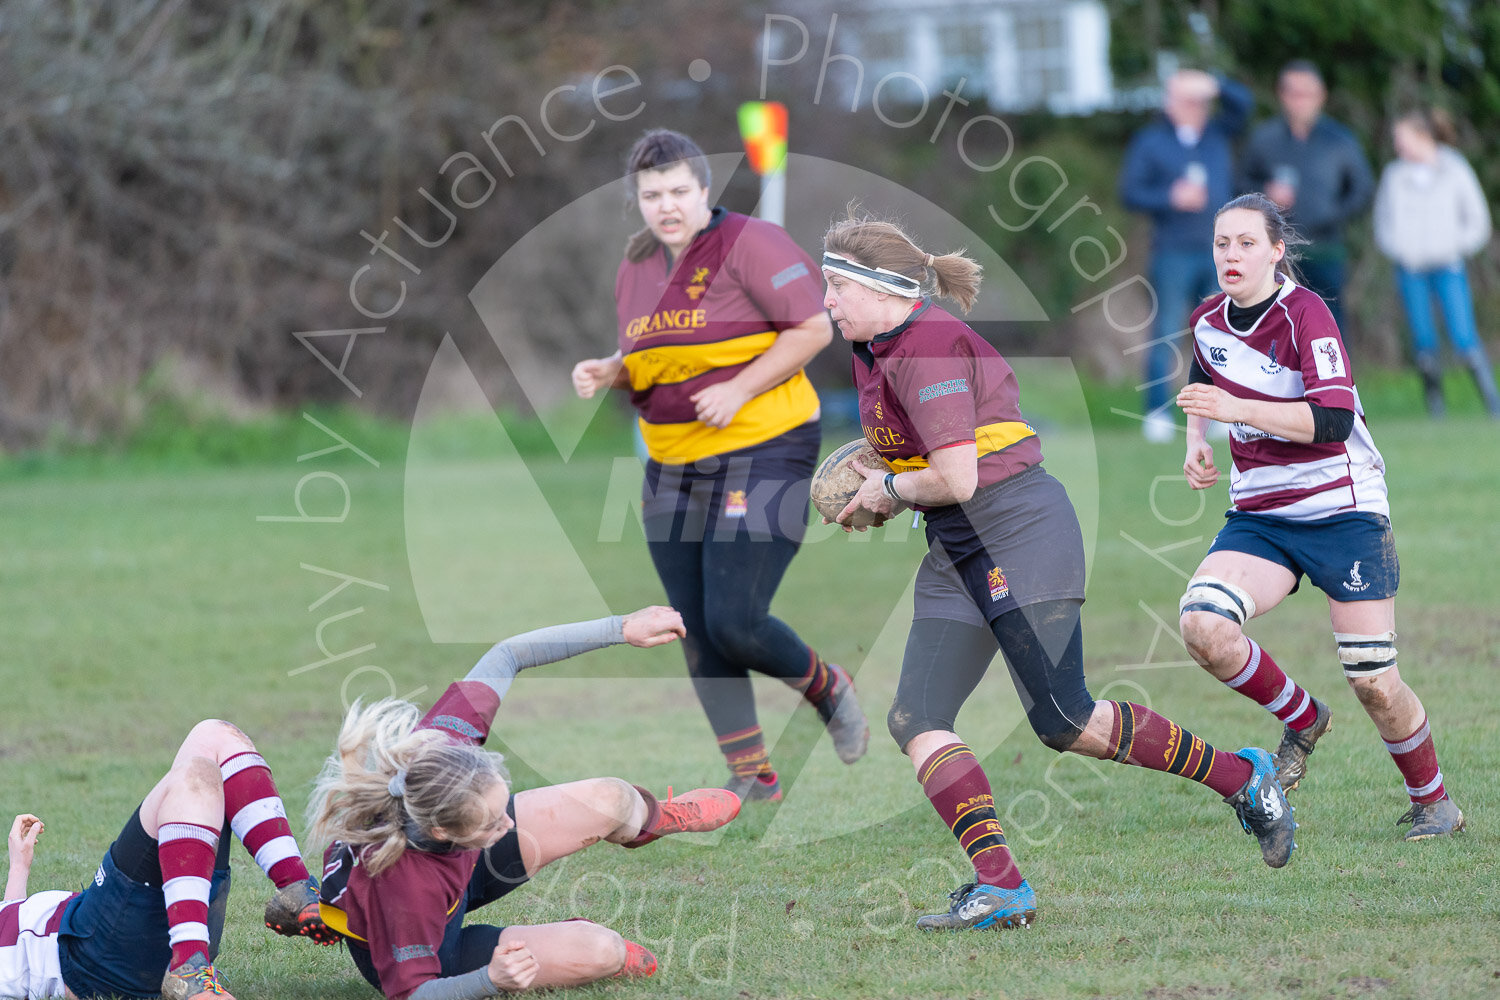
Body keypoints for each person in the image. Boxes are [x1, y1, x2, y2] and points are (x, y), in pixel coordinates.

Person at [817, 210, 1296, 933]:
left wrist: (887, 490)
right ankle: (1001, 884)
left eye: (834, 286)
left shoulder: (932, 345)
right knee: (916, 715)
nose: (825, 302)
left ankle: (1242, 774)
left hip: (1020, 532)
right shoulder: (876, 345)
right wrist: (879, 485)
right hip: (957, 547)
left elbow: (959, 475)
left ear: (883, 288)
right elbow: (926, 466)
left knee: (1064, 718)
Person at [571, 128, 868, 801]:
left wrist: (739, 388)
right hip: (671, 467)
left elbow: (814, 328)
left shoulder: (751, 243)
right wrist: (610, 372)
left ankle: (828, 688)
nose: (666, 204)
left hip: (767, 448)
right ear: (637, 199)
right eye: (652, 193)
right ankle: (750, 777)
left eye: (679, 190)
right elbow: (655, 360)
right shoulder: (636, 265)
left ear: (703, 189)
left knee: (736, 620)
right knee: (693, 625)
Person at [1174, 192, 1464, 842]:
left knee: (1374, 681)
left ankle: (1434, 801)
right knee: (1203, 627)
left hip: (1342, 511)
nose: (1231, 255)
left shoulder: (1306, 316)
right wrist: (1195, 440)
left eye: (1247, 243)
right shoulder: (1207, 320)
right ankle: (1302, 717)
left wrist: (1236, 413)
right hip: (1261, 517)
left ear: (1277, 251)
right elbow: (1204, 383)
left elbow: (1331, 421)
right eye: (1222, 243)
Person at [308, 605, 744, 998]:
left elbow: (508, 654)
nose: (509, 826)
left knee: (609, 796)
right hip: (438, 938)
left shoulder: (444, 753)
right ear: (444, 831)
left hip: (460, 861)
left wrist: (622, 626)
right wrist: (490, 979)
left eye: (502, 809)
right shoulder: (406, 886)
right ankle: (568, 940)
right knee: (603, 952)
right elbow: (413, 996)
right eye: (493, 824)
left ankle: (658, 818)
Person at [2, 720, 334, 1000]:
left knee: (213, 735)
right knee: (195, 776)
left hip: (136, 929)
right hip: (94, 955)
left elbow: (11, 932)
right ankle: (187, 966)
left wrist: (19, 866)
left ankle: (295, 890)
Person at [1120, 69, 1252, 442]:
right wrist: (1169, 197)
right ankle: (1157, 411)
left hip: (1220, 251)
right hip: (1172, 251)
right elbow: (1130, 192)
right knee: (1165, 330)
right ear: (1169, 103)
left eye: (1198, 101)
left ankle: (1223, 410)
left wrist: (1212, 84)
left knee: (1222, 329)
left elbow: (1245, 105)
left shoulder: (1217, 134)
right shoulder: (1151, 141)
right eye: (1184, 99)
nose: (1193, 107)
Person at [1372, 108, 1500, 417]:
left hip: (1449, 267)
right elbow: (1383, 224)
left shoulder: (1454, 169)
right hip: (1411, 269)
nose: (1397, 144)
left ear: (1421, 136)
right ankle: (1436, 408)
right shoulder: (1395, 175)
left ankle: (1492, 404)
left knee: (1463, 336)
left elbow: (1478, 221)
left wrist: (1454, 248)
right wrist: (1401, 251)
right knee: (1423, 339)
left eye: (1401, 137)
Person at [1240, 60, 1375, 331]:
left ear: (1321, 96)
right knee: (1275, 323)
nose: (1299, 101)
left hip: (1326, 248)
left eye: (1307, 94)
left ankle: (1336, 375)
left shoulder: (1340, 140)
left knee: (1329, 320)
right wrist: (1265, 194)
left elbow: (1363, 190)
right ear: (1282, 95)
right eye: (1293, 93)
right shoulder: (1264, 138)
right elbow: (1240, 183)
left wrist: (1330, 215)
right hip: (1275, 251)